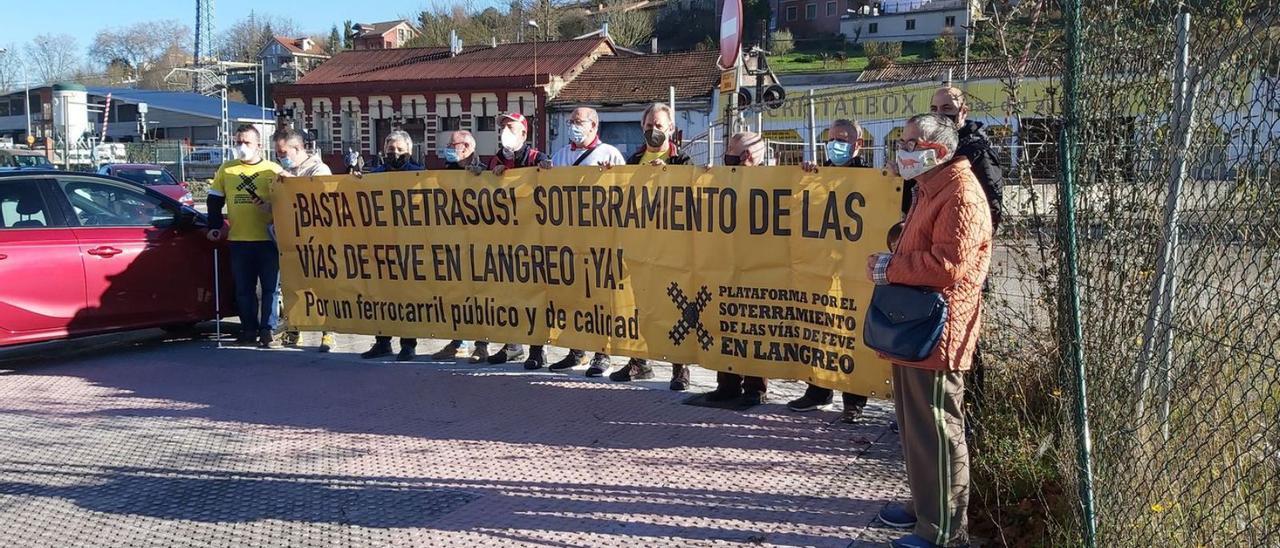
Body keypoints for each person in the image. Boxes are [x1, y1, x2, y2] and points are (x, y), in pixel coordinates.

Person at [869, 113, 992, 548]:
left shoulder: (959, 194)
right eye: (902, 142)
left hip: (938, 332)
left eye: (910, 143)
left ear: (939, 150)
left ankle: (942, 530)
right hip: (916, 328)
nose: (902, 151)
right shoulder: (930, 188)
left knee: (938, 430)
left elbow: (948, 266)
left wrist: (890, 268)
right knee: (915, 427)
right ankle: (925, 507)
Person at [927, 86, 1005, 431]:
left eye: (947, 108)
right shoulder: (933, 151)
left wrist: (960, 247)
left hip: (963, 268)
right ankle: (938, 411)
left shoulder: (977, 152)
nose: (940, 113)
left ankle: (971, 418)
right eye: (934, 108)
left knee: (965, 341)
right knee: (933, 337)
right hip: (930, 263)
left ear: (963, 110)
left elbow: (991, 211)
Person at [789, 118, 874, 423]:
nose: (836, 144)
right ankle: (818, 390)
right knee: (817, 323)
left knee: (851, 328)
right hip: (819, 265)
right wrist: (805, 178)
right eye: (832, 138)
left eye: (844, 139)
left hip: (854, 266)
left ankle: (854, 399)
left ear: (858, 144)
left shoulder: (871, 178)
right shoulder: (816, 174)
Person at [610, 102, 692, 390]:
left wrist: (669, 174)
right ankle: (640, 362)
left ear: (670, 129)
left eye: (659, 125)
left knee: (672, 307)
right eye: (648, 126)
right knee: (641, 307)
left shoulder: (683, 161)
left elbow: (692, 197)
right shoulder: (632, 161)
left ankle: (679, 367)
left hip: (671, 249)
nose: (653, 130)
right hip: (639, 247)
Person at [541, 107, 629, 373]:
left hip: (600, 241)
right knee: (573, 297)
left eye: (578, 122)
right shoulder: (561, 155)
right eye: (571, 122)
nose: (573, 126)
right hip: (569, 240)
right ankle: (575, 350)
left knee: (600, 298)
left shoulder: (610, 154)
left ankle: (602, 353)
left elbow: (624, 192)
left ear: (593, 126)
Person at [702, 131, 770, 406]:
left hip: (759, 265)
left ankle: (755, 387)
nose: (725, 153)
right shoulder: (722, 178)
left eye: (730, 149)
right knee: (725, 322)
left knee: (754, 327)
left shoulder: (772, 181)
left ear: (747, 156)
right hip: (725, 262)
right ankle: (727, 384)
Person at [205, 125, 283, 348]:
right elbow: (214, 200)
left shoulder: (272, 170)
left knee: (270, 289)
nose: (242, 147)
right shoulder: (227, 169)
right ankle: (248, 328)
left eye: (247, 142)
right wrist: (215, 225)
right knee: (243, 290)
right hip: (239, 240)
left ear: (259, 144)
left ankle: (268, 329)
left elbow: (285, 201)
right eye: (238, 141)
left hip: (268, 240)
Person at [484, 112, 550, 366]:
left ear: (524, 133)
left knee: (534, 294)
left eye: (510, 127)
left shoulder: (537, 158)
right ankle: (512, 345)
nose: (505, 132)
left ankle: (537, 349)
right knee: (508, 295)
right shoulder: (496, 160)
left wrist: (545, 172)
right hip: (505, 240)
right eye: (502, 128)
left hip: (534, 239)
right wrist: (489, 175)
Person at [360, 130, 425, 362]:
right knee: (381, 294)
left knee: (408, 296)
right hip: (380, 243)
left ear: (409, 151)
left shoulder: (420, 174)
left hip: (409, 244)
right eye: (390, 150)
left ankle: (409, 344)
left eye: (399, 150)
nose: (394, 153)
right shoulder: (374, 175)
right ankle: (382, 341)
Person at [432, 130, 494, 363]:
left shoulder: (485, 170)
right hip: (453, 243)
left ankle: (482, 345)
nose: (448, 147)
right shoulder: (446, 171)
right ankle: (458, 342)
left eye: (452, 144)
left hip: (479, 244)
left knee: (480, 296)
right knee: (457, 295)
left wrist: (483, 178)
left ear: (467, 146)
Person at [273, 129, 336, 352]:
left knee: (322, 287)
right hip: (291, 239)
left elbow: (322, 200)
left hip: (317, 240)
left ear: (298, 148)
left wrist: (293, 184)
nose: (280, 156)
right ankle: (293, 329)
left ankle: (328, 332)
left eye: (283, 152)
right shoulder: (283, 171)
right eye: (277, 153)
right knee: (293, 285)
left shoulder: (319, 169)